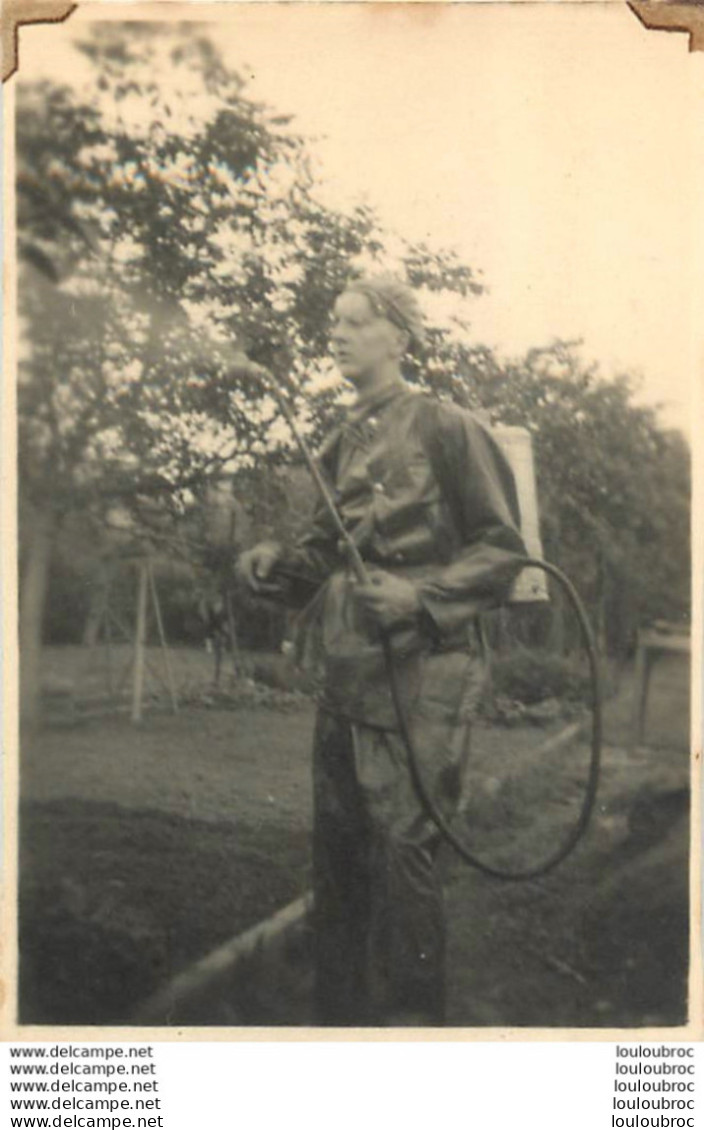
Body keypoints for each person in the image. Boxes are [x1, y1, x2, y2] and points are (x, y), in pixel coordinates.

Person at [238, 275, 527, 1026]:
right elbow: (316, 549)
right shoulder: (341, 437)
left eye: (355, 322)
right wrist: (273, 560)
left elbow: (504, 551)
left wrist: (420, 598)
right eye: (333, 321)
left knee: (403, 856)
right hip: (349, 668)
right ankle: (338, 1034)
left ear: (398, 336)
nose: (336, 333)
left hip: (426, 672)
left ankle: (411, 1039)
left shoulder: (447, 427)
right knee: (336, 861)